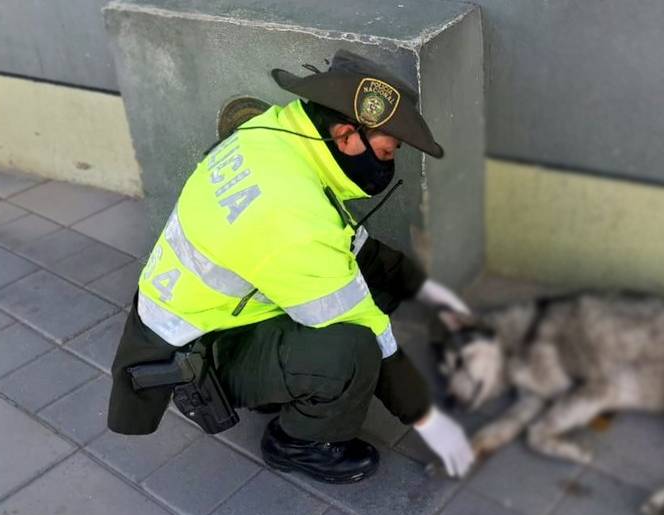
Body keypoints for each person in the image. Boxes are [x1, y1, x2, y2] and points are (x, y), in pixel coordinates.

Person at [107, 50, 476, 483]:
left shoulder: (276, 135)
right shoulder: (289, 212)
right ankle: (299, 444)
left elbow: (350, 243)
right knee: (354, 350)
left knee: (372, 287)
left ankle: (282, 379)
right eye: (385, 151)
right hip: (195, 350)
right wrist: (431, 420)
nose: (388, 164)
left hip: (217, 312)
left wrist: (431, 293)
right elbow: (371, 331)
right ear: (346, 137)